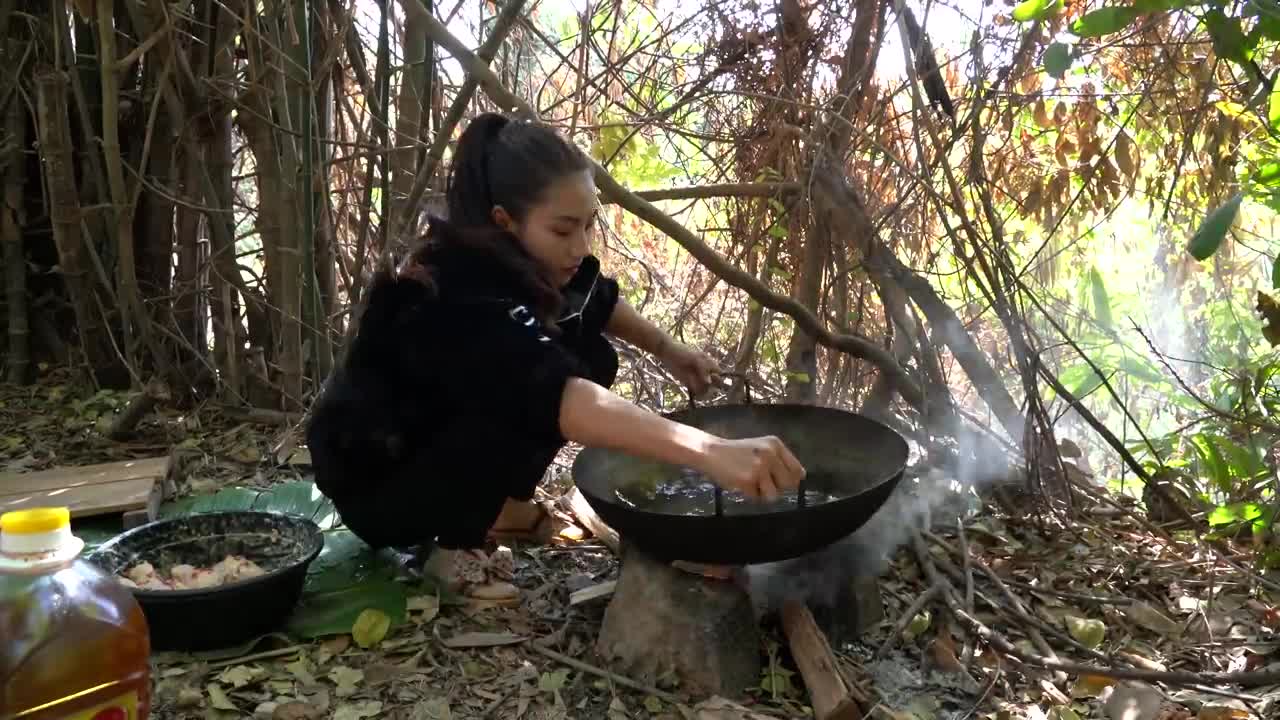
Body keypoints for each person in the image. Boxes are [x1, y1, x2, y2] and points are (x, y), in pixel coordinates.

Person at [306, 112, 806, 602]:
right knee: (524, 400)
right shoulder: (458, 291)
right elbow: (564, 399)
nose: (581, 246)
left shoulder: (527, 259)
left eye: (589, 225)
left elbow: (597, 301)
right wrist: (710, 452)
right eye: (564, 230)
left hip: (430, 440)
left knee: (593, 354)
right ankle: (452, 551)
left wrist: (669, 349)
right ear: (505, 221)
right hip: (377, 481)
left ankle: (497, 507)